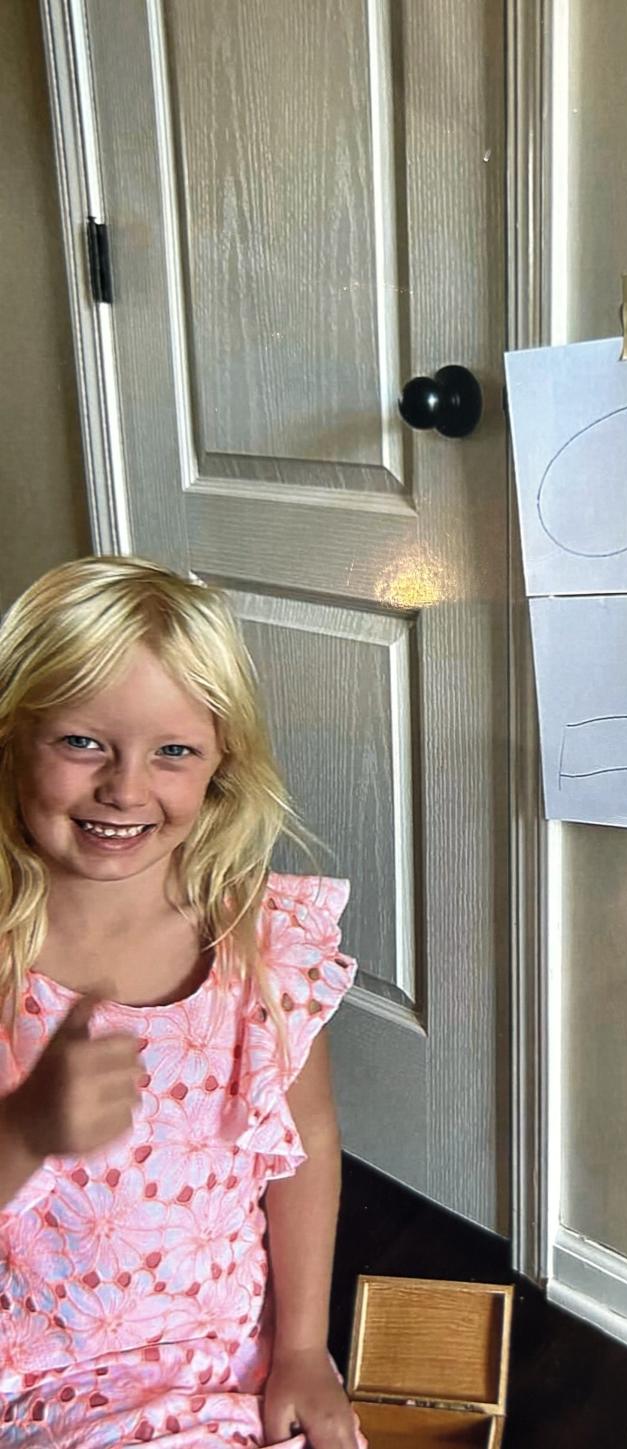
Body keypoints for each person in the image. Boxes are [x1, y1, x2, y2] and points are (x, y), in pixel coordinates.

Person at [0, 556, 367, 1448]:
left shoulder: (257, 943)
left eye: (173, 751)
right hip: (46, 1383)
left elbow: (306, 1141)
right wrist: (25, 1129)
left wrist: (306, 1347)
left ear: (220, 767)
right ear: (9, 736)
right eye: (81, 741)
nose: (126, 787)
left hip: (229, 1361)